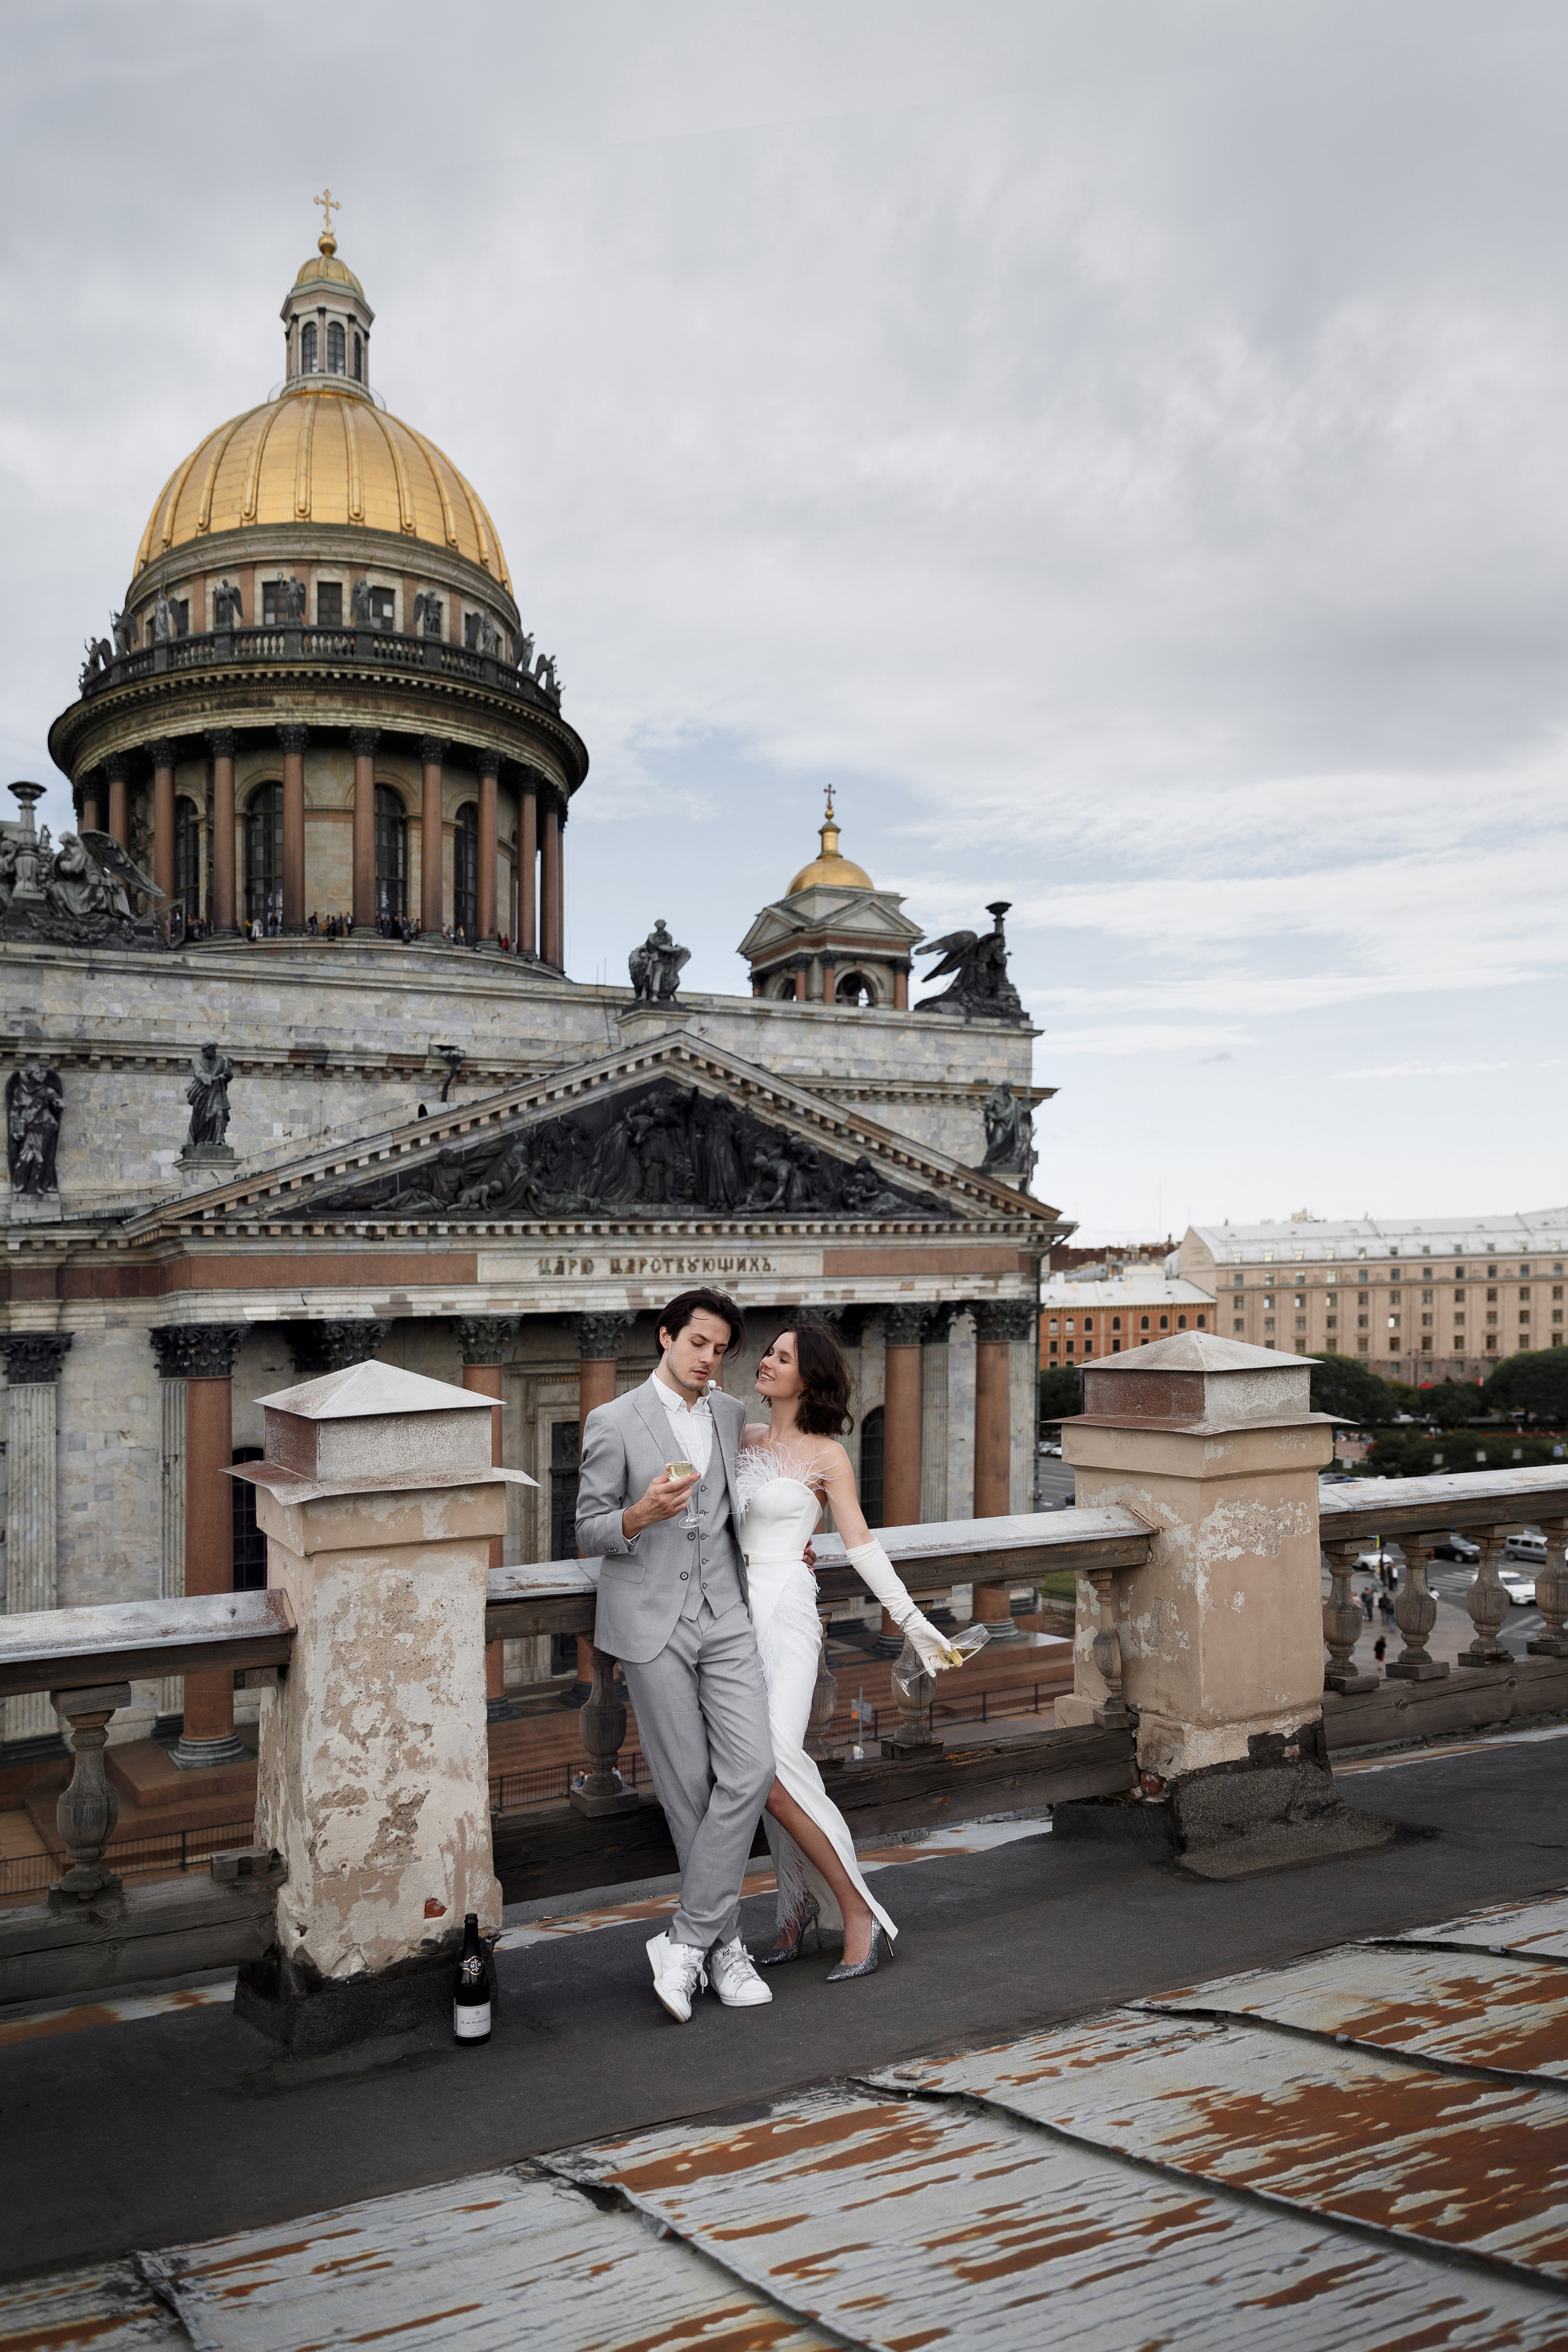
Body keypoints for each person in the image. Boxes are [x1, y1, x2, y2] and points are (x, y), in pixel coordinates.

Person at [575, 1288, 777, 2024]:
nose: (708, 1359)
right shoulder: (612, 1420)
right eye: (697, 1343)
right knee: (689, 1785)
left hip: (724, 1614)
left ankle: (686, 1941)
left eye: (720, 1349)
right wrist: (637, 1515)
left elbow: (743, 1503)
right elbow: (589, 1530)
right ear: (666, 1338)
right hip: (650, 1621)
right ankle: (724, 1950)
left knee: (751, 1767)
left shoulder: (727, 1415)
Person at [736, 1323, 948, 1979]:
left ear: (810, 1378)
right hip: (732, 1616)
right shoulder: (737, 1440)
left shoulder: (827, 1455)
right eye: (769, 1352)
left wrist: (914, 1624)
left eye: (783, 1357)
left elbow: (859, 1543)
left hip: (789, 1613)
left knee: (776, 1772)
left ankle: (858, 1912)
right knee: (762, 1775)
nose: (766, 1361)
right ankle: (794, 1913)